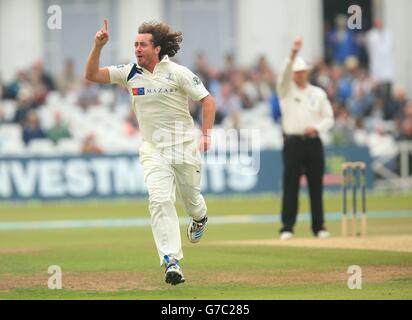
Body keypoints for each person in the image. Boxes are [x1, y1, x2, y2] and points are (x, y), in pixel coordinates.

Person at [85, 20, 216, 285]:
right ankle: (172, 261)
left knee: (191, 200)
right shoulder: (129, 72)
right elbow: (92, 75)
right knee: (159, 200)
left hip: (183, 148)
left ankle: (200, 218)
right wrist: (97, 46)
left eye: (142, 44)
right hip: (153, 150)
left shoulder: (177, 73)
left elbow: (207, 100)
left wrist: (206, 134)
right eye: (135, 44)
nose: (137, 49)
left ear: (156, 48)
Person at [277, 37, 334, 240]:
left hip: (313, 142)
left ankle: (319, 227)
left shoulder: (317, 93)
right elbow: (283, 75)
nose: (299, 75)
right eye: (296, 72)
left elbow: (329, 117)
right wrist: (292, 54)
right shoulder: (285, 90)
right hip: (292, 142)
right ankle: (287, 227)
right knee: (290, 185)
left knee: (316, 185)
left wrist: (317, 128)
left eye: (302, 72)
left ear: (307, 72)